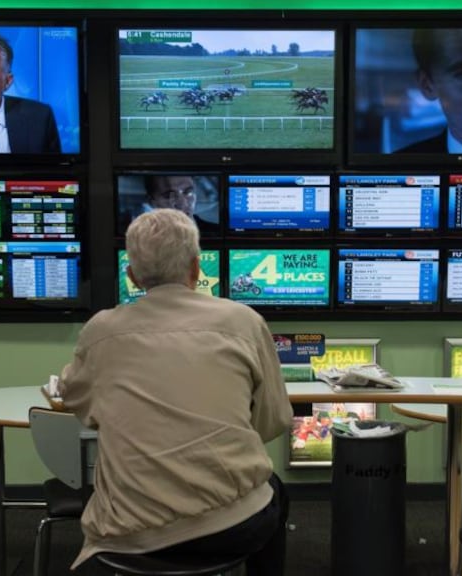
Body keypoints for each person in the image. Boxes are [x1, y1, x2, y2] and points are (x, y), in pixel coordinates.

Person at [59, 209, 293, 575]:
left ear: (132, 276)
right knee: (272, 490)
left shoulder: (101, 331)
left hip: (134, 536)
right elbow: (274, 421)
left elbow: (80, 405)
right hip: (236, 526)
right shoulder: (244, 321)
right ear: (197, 269)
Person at [141, 174, 222, 236]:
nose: (182, 204)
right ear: (151, 201)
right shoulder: (142, 239)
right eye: (168, 196)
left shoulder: (217, 232)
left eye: (188, 192)